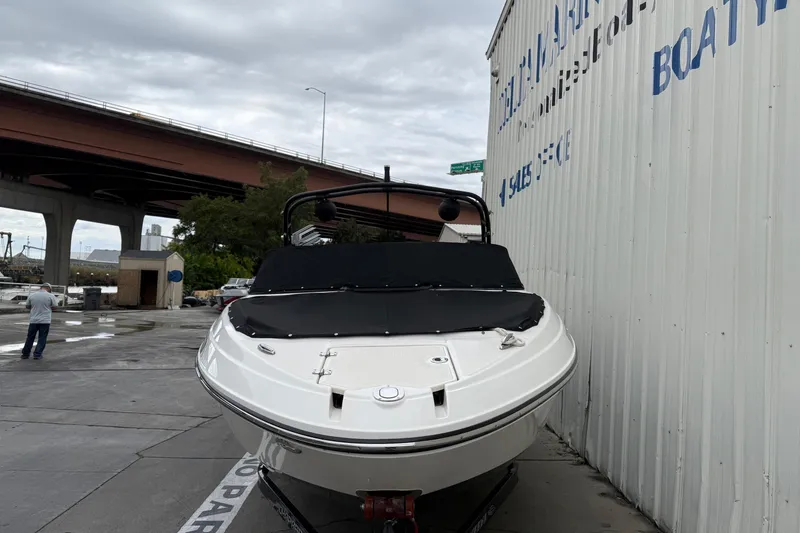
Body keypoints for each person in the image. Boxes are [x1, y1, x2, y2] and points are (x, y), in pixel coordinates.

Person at [21, 283, 59, 360]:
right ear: (49, 288)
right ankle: (37, 354)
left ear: (41, 288)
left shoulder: (32, 295)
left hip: (33, 320)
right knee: (42, 338)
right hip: (45, 321)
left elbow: (27, 306)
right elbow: (55, 307)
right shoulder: (51, 296)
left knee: (30, 337)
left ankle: (25, 354)